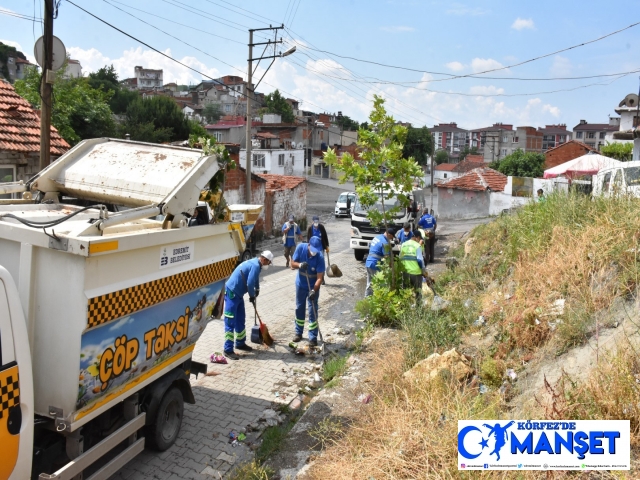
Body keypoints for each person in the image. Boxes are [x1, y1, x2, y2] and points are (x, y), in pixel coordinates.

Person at [222, 251, 273, 360]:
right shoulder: (255, 265)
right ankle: (228, 349)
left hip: (238, 294)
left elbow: (254, 279)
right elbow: (250, 283)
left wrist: (257, 288)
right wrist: (251, 295)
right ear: (264, 259)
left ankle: (240, 343)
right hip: (232, 293)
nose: (268, 265)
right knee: (230, 321)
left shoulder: (257, 264)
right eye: (268, 262)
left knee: (240, 319)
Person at [290, 236, 325, 347]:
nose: (314, 252)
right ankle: (298, 333)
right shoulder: (301, 248)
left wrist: (314, 290)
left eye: (317, 250)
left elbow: (320, 277)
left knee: (312, 310)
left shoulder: (319, 257)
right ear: (309, 245)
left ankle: (312, 337)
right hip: (301, 284)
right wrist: (300, 265)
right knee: (299, 308)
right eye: (313, 249)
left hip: (313, 286)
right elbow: (292, 264)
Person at [364, 228, 395, 297]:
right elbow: (387, 257)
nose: (390, 240)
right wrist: (391, 267)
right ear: (389, 234)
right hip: (375, 264)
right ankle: (380, 300)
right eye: (391, 238)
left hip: (368, 262)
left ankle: (367, 300)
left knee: (369, 283)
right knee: (381, 283)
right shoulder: (385, 242)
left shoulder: (377, 237)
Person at [399, 231, 426, 298]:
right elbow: (420, 260)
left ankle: (406, 307)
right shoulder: (417, 246)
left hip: (405, 272)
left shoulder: (403, 244)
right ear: (418, 237)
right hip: (416, 273)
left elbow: (400, 258)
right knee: (418, 292)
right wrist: (423, 271)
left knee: (406, 293)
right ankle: (418, 307)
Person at [307, 215, 330, 284]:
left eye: (317, 221)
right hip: (313, 248)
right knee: (313, 262)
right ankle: (313, 277)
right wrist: (308, 247)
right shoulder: (310, 228)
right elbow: (308, 239)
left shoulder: (321, 227)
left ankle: (322, 279)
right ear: (312, 221)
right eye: (315, 221)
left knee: (321, 263)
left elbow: (325, 236)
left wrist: (327, 246)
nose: (316, 223)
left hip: (320, 248)